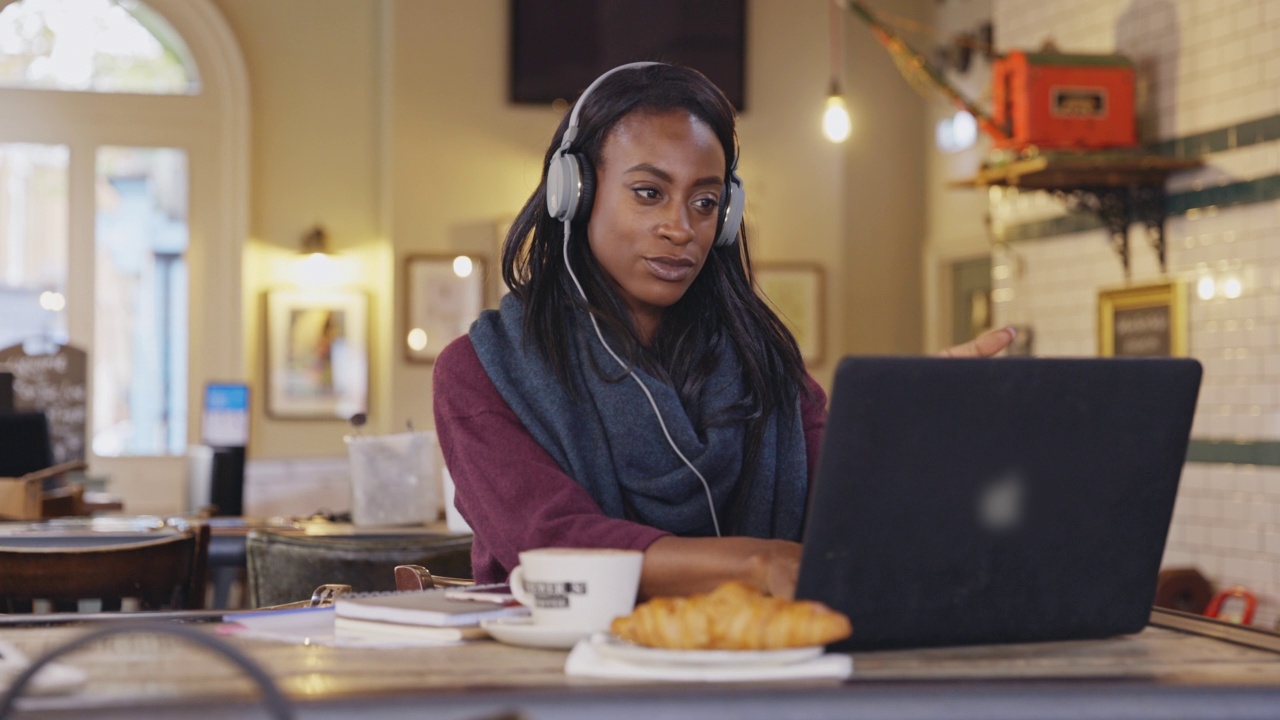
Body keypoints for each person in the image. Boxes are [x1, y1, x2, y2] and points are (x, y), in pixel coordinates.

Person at [433, 63, 1012, 600]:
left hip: (760, 669)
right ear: (574, 194)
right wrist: (753, 565)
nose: (681, 228)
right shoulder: (481, 371)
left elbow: (846, 510)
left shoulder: (769, 367)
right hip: (562, 684)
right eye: (648, 193)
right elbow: (550, 541)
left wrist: (917, 426)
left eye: (705, 201)